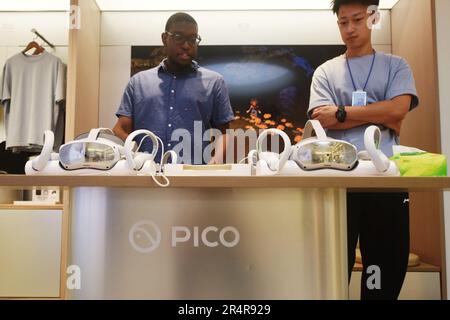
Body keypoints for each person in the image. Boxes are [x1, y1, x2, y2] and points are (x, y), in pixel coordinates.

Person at [308, 0, 419, 300]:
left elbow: (398, 111)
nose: (349, 28)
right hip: (336, 181)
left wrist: (342, 114)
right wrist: (378, 112)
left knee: (383, 269)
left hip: (385, 180)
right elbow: (322, 119)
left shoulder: (396, 65)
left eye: (356, 19)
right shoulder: (325, 72)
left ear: (373, 17)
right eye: (343, 22)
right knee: (331, 270)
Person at [113, 12, 234, 164]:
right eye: (179, 38)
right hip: (145, 178)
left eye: (192, 39)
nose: (186, 45)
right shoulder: (138, 82)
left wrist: (216, 160)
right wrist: (135, 154)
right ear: (165, 38)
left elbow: (223, 133)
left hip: (194, 178)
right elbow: (119, 129)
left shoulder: (214, 82)